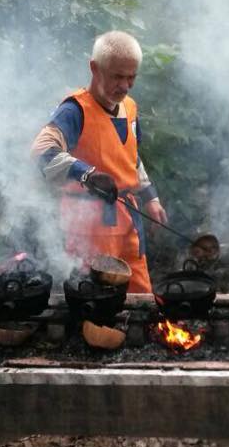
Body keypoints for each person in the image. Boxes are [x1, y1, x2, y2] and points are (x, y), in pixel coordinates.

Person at [31, 31, 167, 292]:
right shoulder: (74, 111)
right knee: (99, 303)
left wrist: (150, 197)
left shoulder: (130, 107)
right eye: (118, 76)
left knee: (141, 301)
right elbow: (42, 150)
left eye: (131, 77)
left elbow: (129, 155)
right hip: (89, 229)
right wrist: (87, 174)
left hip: (128, 224)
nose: (125, 86)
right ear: (94, 68)